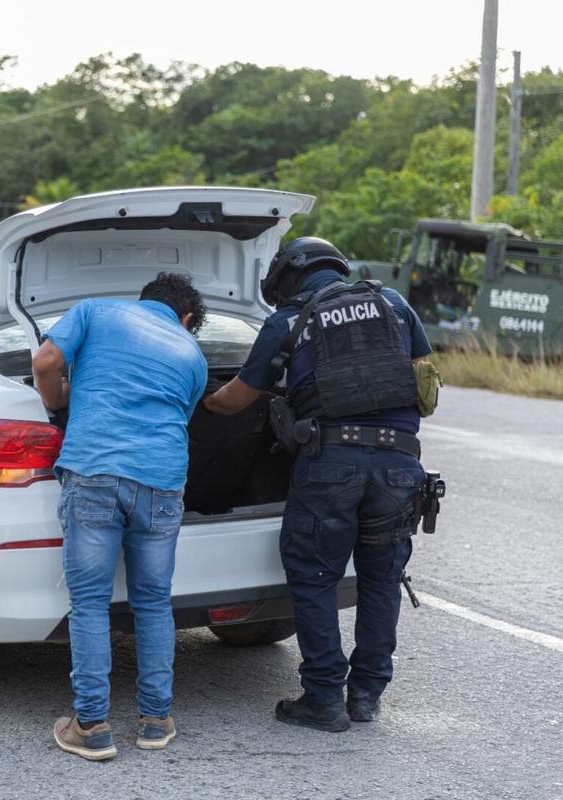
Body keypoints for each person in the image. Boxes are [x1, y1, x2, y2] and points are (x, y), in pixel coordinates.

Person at [204, 236, 434, 732]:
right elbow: (426, 383)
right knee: (381, 579)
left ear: (288, 276)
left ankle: (324, 697)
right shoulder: (393, 303)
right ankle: (367, 696)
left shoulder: (288, 321)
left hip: (332, 463)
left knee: (313, 576)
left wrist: (200, 403)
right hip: (400, 465)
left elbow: (238, 397)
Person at [33, 272, 208, 761]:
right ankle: (155, 721)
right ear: (186, 318)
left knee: (89, 602)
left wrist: (58, 401)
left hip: (94, 472)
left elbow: (46, 360)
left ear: (144, 300)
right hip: (162, 482)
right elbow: (180, 415)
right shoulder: (192, 353)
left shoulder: (95, 311)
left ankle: (92, 727)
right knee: (153, 601)